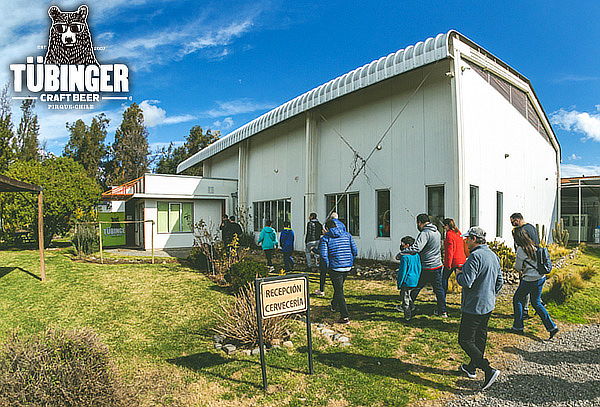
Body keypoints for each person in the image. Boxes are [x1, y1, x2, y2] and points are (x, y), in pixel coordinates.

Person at [456, 226, 503, 391]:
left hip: (473, 306)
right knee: (480, 338)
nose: (466, 241)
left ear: (474, 239)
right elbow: (500, 282)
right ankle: (471, 368)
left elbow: (466, 281)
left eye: (468, 238)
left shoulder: (474, 257)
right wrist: (490, 294)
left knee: (465, 340)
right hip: (488, 304)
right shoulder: (493, 255)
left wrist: (458, 273)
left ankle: (488, 369)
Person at [509, 227, 559, 339]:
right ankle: (552, 327)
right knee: (536, 302)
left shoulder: (521, 250)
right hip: (540, 278)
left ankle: (518, 326)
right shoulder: (534, 246)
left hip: (529, 280)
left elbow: (518, 267)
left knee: (517, 299)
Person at [401, 213, 447, 317]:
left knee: (416, 287)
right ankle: (443, 311)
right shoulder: (437, 232)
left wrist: (402, 253)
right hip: (438, 265)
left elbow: (417, 248)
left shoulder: (425, 233)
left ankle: (408, 306)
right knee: (439, 290)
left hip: (426, 266)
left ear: (420, 223)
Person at [319, 219, 357, 324]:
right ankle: (333, 305)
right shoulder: (347, 235)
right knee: (338, 287)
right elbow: (355, 250)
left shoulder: (325, 239)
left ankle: (344, 316)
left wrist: (327, 267)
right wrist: (351, 261)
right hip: (347, 266)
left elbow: (323, 255)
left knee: (339, 290)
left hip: (335, 267)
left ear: (327, 229)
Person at [509, 212, 540, 318]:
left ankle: (524, 311)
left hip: (527, 262)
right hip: (534, 262)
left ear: (517, 220)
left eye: (512, 221)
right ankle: (536, 305)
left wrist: (521, 258)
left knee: (524, 287)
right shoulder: (531, 227)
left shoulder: (522, 230)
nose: (512, 224)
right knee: (532, 289)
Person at [395, 236, 422, 321]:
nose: (401, 245)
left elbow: (402, 271)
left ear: (407, 245)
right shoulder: (416, 255)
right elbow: (419, 267)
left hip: (407, 280)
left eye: (403, 244)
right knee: (408, 295)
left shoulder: (404, 257)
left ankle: (407, 316)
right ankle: (413, 308)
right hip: (415, 278)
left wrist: (399, 282)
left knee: (405, 299)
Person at [442, 218, 466, 294]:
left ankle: (442, 297)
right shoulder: (458, 233)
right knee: (463, 280)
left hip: (453, 260)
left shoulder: (449, 234)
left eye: (444, 226)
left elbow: (450, 251)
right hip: (461, 259)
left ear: (447, 226)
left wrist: (448, 264)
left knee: (444, 279)